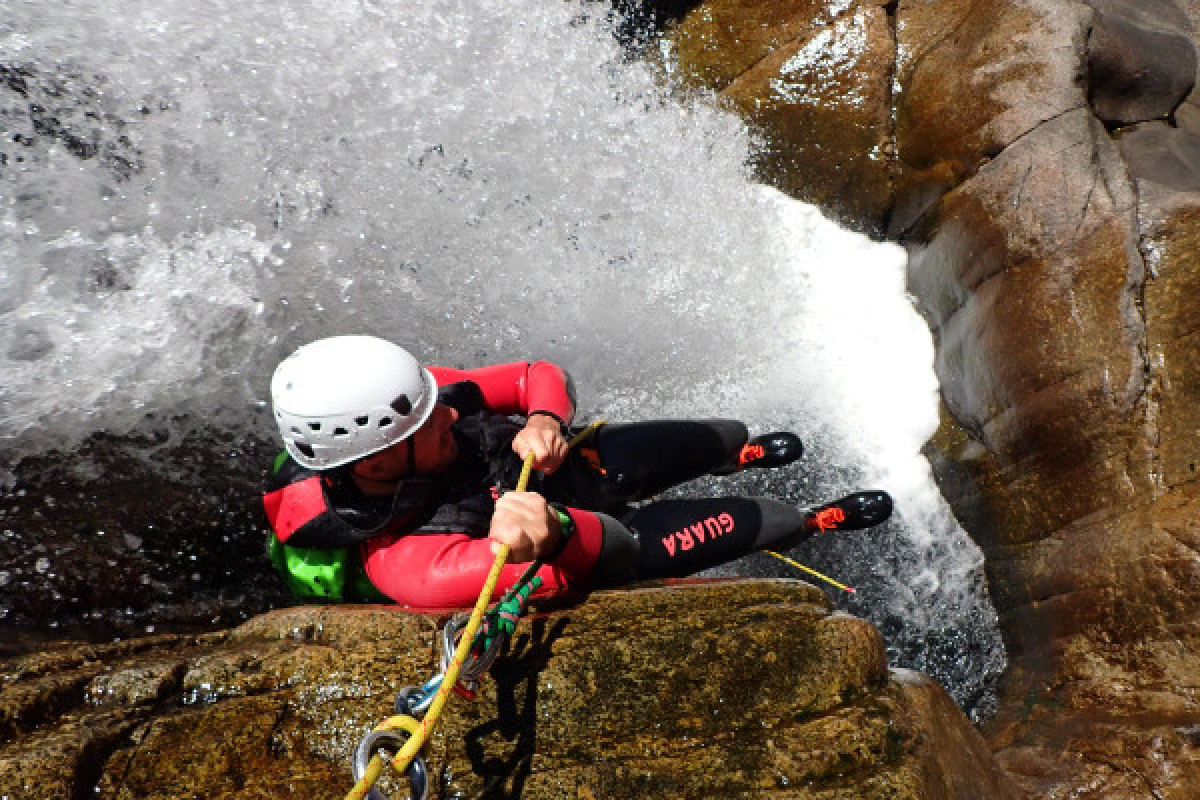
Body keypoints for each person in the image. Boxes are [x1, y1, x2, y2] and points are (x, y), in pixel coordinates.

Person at [262, 335, 893, 608]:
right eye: (428, 421)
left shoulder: (413, 403)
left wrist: (543, 419)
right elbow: (601, 559)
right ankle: (814, 524)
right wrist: (556, 533)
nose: (446, 414)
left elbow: (536, 374)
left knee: (718, 433)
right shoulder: (409, 565)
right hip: (601, 544)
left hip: (577, 466)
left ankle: (736, 456)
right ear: (375, 459)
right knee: (763, 521)